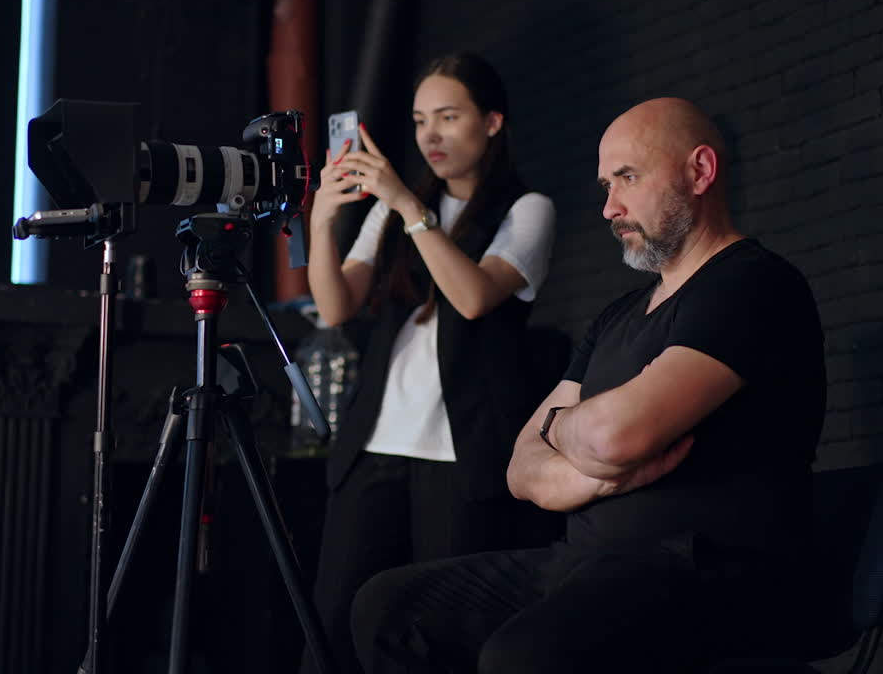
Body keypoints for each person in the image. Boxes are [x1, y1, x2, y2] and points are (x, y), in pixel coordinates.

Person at [349, 97, 828, 673]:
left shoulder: (752, 285)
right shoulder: (620, 315)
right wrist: (596, 476)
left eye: (626, 178)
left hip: (708, 570)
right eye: (605, 185)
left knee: (522, 656)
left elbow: (614, 439)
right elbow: (521, 470)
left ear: (699, 171)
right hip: (584, 562)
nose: (609, 208)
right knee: (388, 607)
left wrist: (566, 432)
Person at [300, 53, 556, 674]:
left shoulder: (528, 209)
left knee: (436, 633)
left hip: (462, 449)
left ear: (492, 122)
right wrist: (323, 219)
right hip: (374, 444)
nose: (430, 136)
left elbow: (471, 297)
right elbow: (336, 307)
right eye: (419, 121)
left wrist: (407, 206)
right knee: (331, 627)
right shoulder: (395, 209)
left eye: (448, 116)